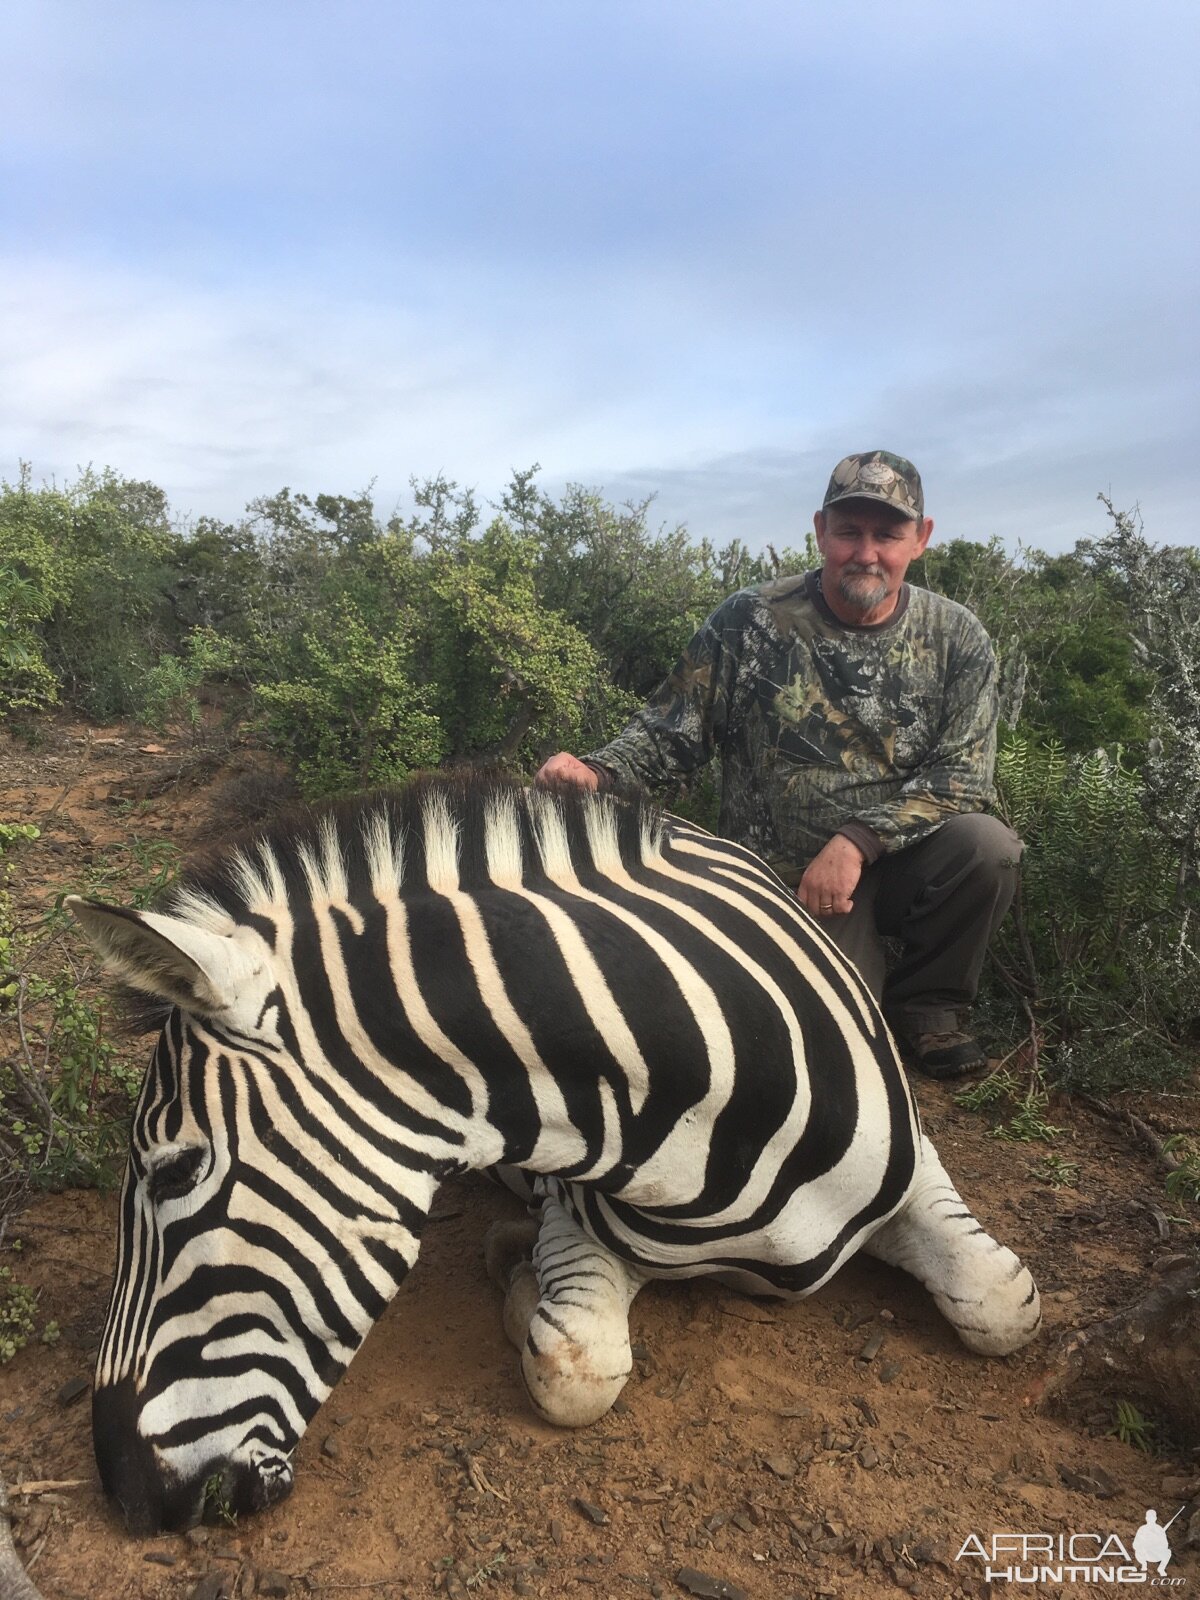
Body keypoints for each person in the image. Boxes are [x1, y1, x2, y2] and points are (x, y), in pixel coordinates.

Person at [536, 449, 1020, 1079]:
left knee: (988, 847)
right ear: (821, 531)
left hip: (894, 863)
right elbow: (670, 734)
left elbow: (961, 776)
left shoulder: (957, 635)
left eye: (887, 534)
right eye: (849, 532)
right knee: (809, 1047)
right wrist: (595, 775)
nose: (865, 552)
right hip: (769, 876)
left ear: (920, 539)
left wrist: (857, 843)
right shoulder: (749, 619)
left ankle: (929, 1011)